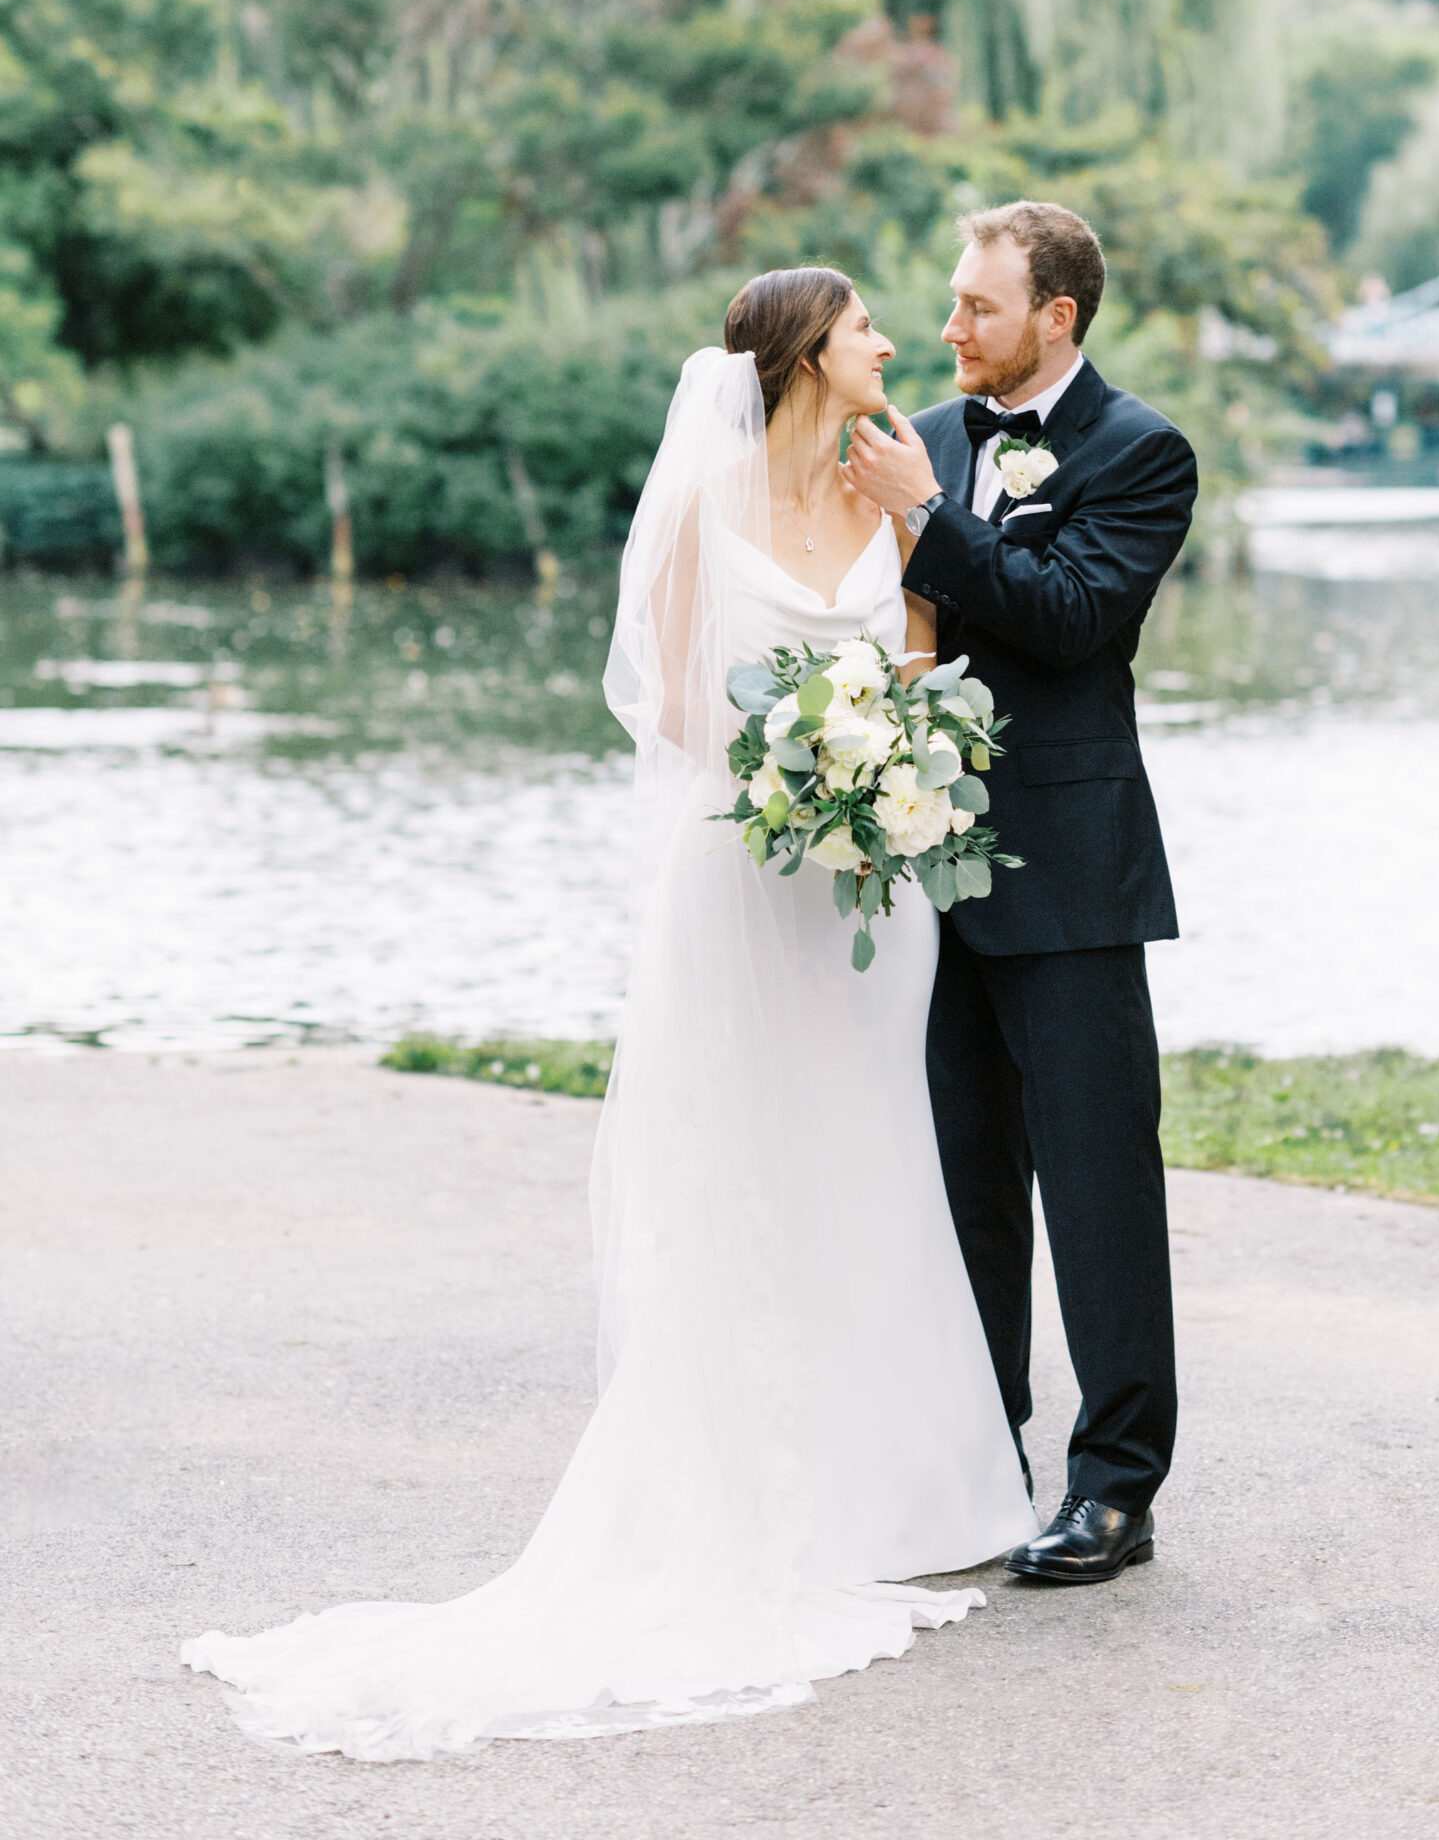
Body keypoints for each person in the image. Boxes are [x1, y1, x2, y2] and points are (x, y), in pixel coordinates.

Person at [182, 269, 1033, 1758]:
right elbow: (668, 701)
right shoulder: (710, 509)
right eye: (864, 331)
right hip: (749, 859)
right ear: (801, 358)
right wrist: (801, 772)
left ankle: (906, 1491)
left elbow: (910, 657)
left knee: (876, 1147)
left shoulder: (890, 490)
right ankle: (755, 1488)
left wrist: (882, 761)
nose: (893, 345)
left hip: (874, 888)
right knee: (752, 1159)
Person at [844, 200, 1197, 1584]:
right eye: (948, 302)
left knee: (1100, 1191)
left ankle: (1117, 1489)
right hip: (933, 870)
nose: (949, 330)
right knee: (965, 1188)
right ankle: (983, 1461)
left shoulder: (1141, 451)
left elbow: (1065, 618)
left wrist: (928, 522)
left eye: (977, 309)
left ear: (1056, 316)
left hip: (1073, 874)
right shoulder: (919, 440)